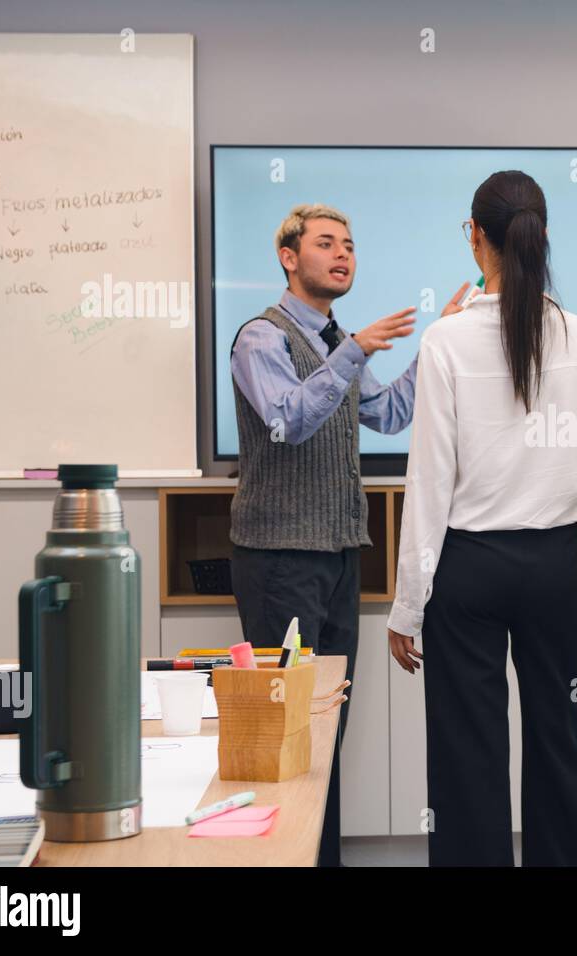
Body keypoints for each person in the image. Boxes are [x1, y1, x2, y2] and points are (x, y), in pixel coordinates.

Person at [387, 171, 577, 867]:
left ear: (476, 238)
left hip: (469, 572)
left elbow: (429, 482)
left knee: (467, 756)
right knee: (559, 741)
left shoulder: (446, 343)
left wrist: (407, 607)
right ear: (541, 236)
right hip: (552, 566)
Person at [228, 202, 464, 866]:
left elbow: (388, 414)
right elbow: (287, 421)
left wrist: (435, 346)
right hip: (277, 560)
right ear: (288, 257)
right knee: (285, 735)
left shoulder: (338, 344)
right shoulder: (262, 338)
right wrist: (354, 351)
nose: (342, 254)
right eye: (326, 243)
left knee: (325, 733)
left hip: (335, 558)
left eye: (350, 246)